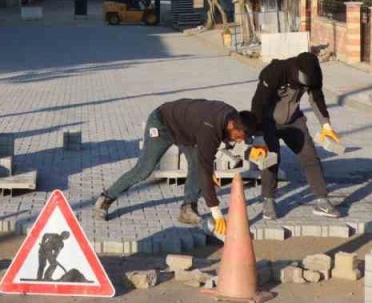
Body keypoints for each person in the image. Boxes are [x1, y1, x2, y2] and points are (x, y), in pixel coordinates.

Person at [94, 98, 257, 236]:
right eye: (239, 137)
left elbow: (214, 152)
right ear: (231, 125)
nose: (239, 140)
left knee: (197, 164)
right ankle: (105, 199)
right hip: (162, 123)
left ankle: (188, 209)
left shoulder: (233, 116)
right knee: (144, 169)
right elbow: (206, 168)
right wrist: (216, 213)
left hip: (186, 131)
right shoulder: (210, 129)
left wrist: (254, 148)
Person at [249, 51, 341, 220]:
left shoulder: (314, 74)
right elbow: (258, 103)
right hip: (268, 121)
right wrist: (259, 134)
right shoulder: (276, 71)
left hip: (294, 121)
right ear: (297, 70)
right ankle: (268, 201)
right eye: (304, 79)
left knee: (310, 156)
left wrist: (326, 125)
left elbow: (316, 98)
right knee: (271, 159)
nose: (306, 83)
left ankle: (322, 200)